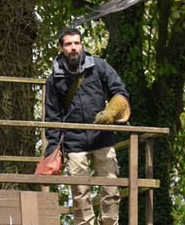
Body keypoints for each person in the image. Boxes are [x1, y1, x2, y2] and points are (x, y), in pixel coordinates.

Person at [44, 24, 130, 225]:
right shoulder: (54, 79)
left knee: (111, 190)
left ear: (81, 45)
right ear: (61, 48)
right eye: (68, 44)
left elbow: (120, 91)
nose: (73, 47)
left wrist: (111, 111)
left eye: (76, 43)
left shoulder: (98, 66)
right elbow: (52, 117)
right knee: (80, 193)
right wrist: (53, 150)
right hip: (74, 142)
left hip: (102, 137)